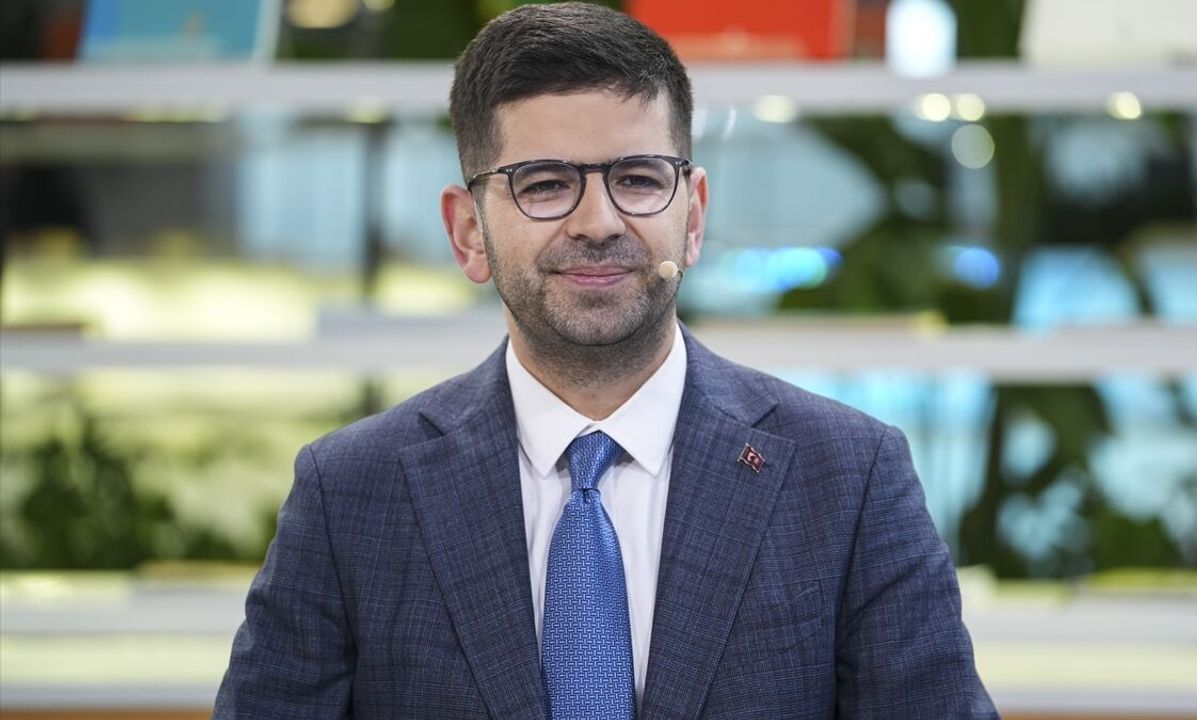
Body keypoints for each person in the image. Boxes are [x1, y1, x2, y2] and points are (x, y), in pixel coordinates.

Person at [214, 3, 998, 718]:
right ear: (467, 233)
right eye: (544, 184)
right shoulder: (352, 495)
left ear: (694, 217)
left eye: (637, 179)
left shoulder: (849, 480)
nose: (599, 222)